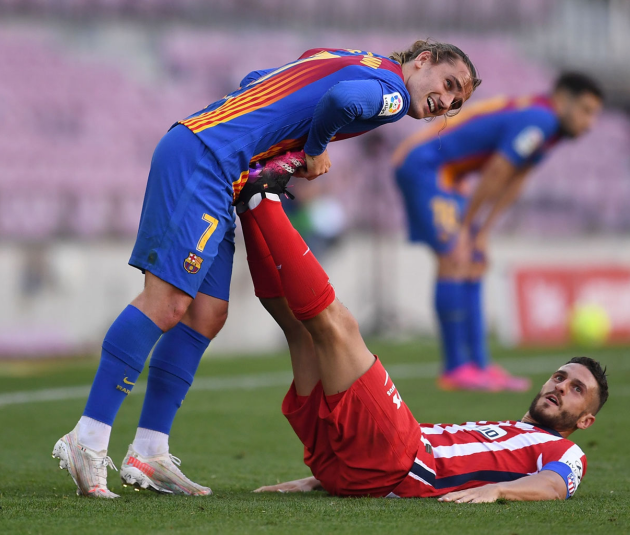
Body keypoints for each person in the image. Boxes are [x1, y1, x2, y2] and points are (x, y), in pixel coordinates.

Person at [52, 41, 481, 498]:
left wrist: (265, 134)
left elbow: (257, 79)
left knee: (206, 314)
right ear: (421, 60)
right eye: (448, 85)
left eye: (456, 104)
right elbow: (340, 102)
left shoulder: (351, 57)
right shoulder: (392, 94)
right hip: (206, 159)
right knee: (168, 302)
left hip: (218, 164)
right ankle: (88, 438)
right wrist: (314, 148)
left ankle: (149, 451)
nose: (446, 103)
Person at [237, 185, 608, 502]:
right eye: (560, 377)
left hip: (400, 459)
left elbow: (553, 486)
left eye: (576, 389)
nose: (561, 386)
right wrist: (321, 479)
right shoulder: (511, 431)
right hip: (351, 467)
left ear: (586, 420)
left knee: (339, 326)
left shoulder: (568, 452)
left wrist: (498, 491)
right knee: (299, 333)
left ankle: (265, 199)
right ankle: (249, 210)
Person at [393, 72, 604, 392]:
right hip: (427, 165)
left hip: (449, 171)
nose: (590, 124)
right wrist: (467, 227)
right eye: (586, 111)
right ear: (564, 99)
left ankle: (480, 364)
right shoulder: (541, 119)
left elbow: (516, 178)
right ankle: (455, 369)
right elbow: (497, 171)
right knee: (454, 256)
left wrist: (482, 231)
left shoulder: (549, 128)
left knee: (474, 257)